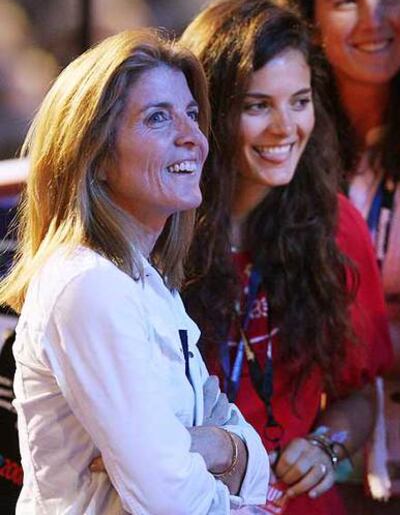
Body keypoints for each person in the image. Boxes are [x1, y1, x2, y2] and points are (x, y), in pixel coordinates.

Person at [0, 29, 269, 514]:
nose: (193, 136)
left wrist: (222, 447)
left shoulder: (147, 282)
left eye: (191, 113)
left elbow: (247, 458)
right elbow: (171, 501)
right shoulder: (89, 286)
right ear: (97, 156)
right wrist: (228, 463)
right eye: (158, 117)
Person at [180, 0, 392, 515]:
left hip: (293, 503)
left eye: (300, 101)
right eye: (257, 105)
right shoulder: (159, 231)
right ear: (205, 112)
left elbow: (361, 394)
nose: (285, 128)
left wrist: (326, 446)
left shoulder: (336, 228)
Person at [275, 0, 400, 506]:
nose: (373, 19)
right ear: (307, 19)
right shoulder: (278, 131)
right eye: (346, 0)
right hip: (307, 450)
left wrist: (333, 340)